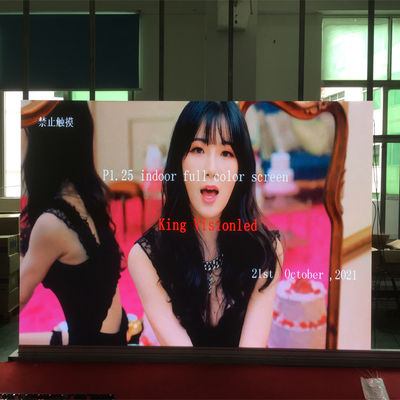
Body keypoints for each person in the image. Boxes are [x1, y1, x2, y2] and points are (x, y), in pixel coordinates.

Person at [129, 101, 283, 347]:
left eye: (226, 153)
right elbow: (184, 362)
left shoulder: (265, 251)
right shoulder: (144, 258)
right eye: (198, 149)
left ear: (241, 169)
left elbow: (249, 359)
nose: (211, 170)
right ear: (178, 163)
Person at [20, 101, 128, 346]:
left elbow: (15, 300)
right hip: (111, 338)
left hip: (92, 354)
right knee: (26, 339)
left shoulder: (51, 224)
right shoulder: (88, 198)